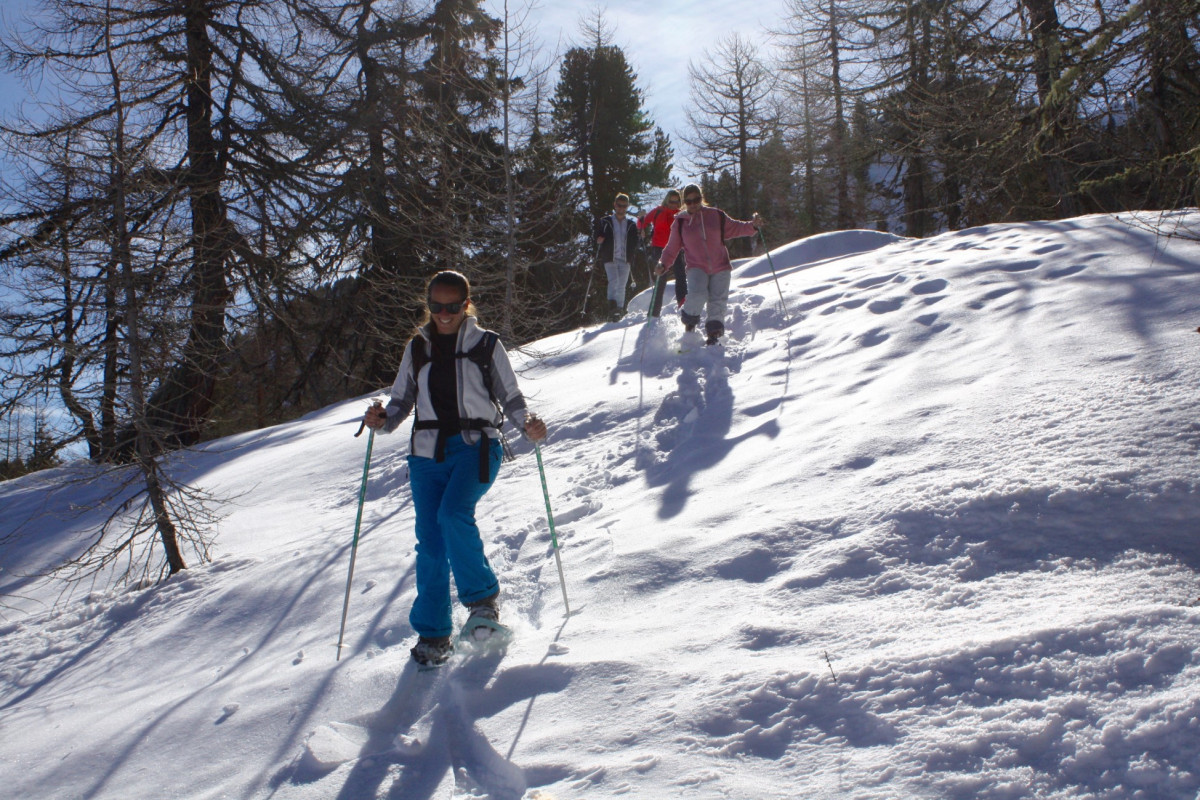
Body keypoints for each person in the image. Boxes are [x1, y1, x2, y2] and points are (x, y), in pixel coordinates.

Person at [364, 270, 548, 666]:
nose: (443, 314)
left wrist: (528, 424)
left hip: (477, 448)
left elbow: (511, 397)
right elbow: (399, 403)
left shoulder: (486, 344)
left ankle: (482, 603)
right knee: (430, 543)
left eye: (452, 306)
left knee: (452, 515)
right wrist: (381, 419)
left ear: (467, 305)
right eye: (436, 306)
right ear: (427, 305)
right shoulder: (417, 347)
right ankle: (434, 634)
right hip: (427, 455)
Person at [656, 183, 762, 345]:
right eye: (689, 201)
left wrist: (753, 226)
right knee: (698, 294)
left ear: (701, 198)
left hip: (720, 265)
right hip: (696, 266)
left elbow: (735, 228)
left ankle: (714, 333)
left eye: (696, 200)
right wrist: (663, 264)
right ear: (684, 202)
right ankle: (690, 324)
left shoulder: (716, 216)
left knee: (718, 299)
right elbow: (671, 248)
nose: (693, 204)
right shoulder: (680, 223)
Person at [639, 189, 687, 317]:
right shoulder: (658, 211)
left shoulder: (681, 214)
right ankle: (654, 312)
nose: (674, 204)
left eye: (677, 202)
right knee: (661, 279)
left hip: (675, 248)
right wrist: (641, 225)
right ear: (667, 200)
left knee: (681, 275)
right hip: (658, 249)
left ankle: (683, 304)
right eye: (671, 201)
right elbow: (642, 222)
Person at [594, 192, 642, 320]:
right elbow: (597, 233)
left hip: (625, 258)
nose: (621, 208)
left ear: (627, 207)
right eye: (619, 205)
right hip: (610, 257)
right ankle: (612, 308)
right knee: (614, 281)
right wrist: (599, 238)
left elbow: (635, 241)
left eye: (624, 206)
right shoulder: (606, 221)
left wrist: (640, 235)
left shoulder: (631, 224)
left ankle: (619, 310)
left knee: (622, 284)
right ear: (615, 205)